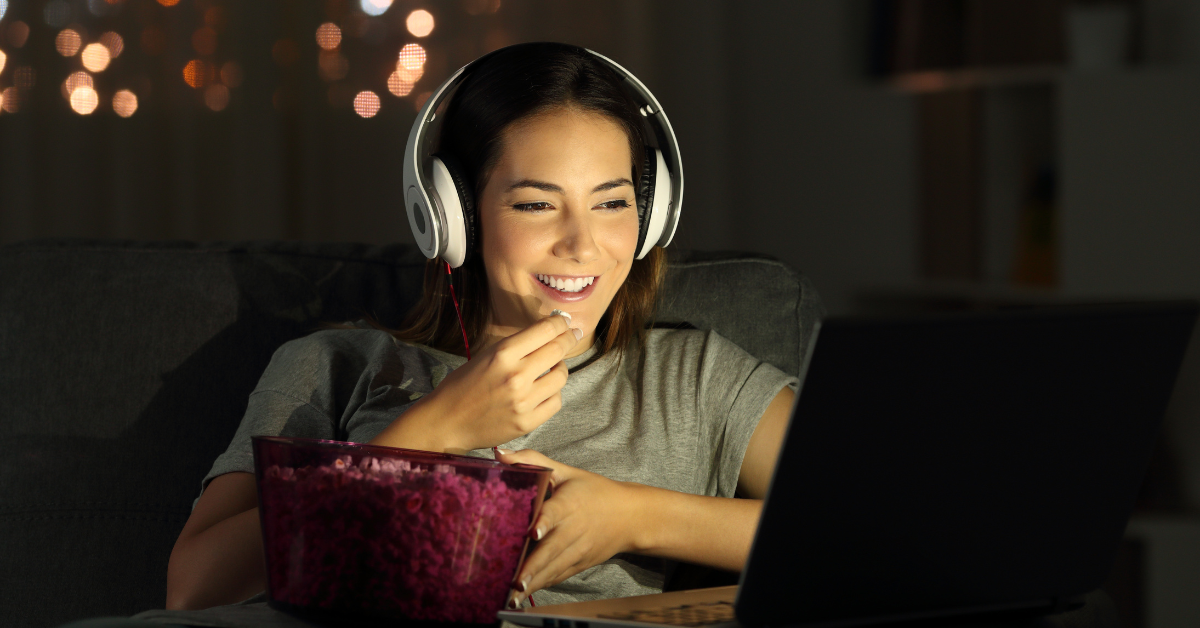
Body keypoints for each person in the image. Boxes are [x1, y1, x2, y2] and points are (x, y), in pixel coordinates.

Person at [165, 42, 799, 612]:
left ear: (653, 212)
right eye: (535, 204)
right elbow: (196, 588)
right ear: (453, 216)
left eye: (612, 202)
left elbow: (869, 531)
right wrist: (435, 430)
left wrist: (638, 516)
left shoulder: (698, 378)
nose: (582, 246)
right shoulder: (332, 367)